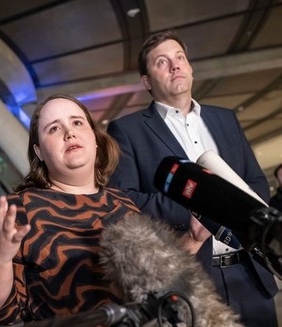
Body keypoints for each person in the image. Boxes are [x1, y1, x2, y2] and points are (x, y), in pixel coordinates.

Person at [107, 30, 278, 326]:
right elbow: (126, 200)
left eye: (180, 58)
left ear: (190, 68)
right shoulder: (128, 130)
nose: (175, 65)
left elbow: (256, 181)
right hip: (192, 276)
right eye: (162, 62)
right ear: (147, 81)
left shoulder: (225, 118)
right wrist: (201, 206)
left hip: (249, 273)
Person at [0, 94, 141, 325]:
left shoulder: (124, 203)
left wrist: (192, 238)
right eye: (54, 129)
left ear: (95, 137)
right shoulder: (19, 210)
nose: (69, 133)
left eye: (77, 122)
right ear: (39, 152)